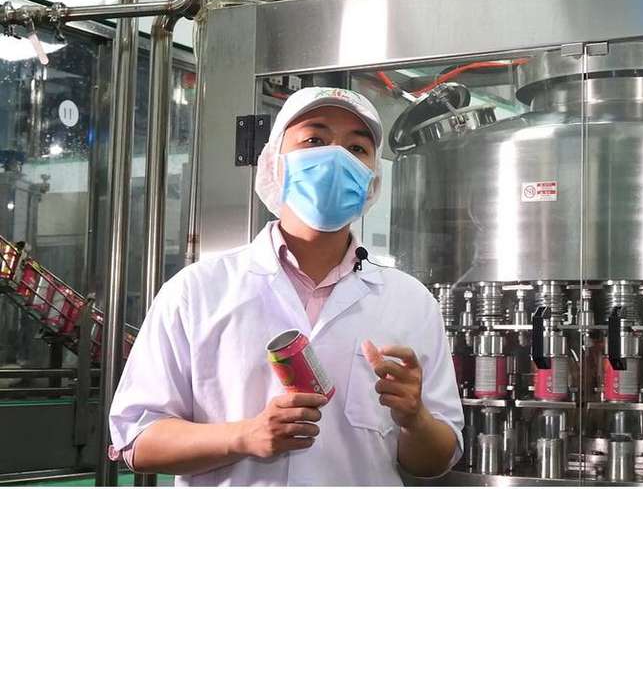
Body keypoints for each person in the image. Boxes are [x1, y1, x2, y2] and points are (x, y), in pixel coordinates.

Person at [108, 86, 464, 485]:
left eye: (357, 148)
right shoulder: (197, 291)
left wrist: (415, 418)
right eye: (314, 140)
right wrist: (243, 437)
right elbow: (137, 440)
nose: (336, 158)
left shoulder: (410, 302)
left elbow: (436, 460)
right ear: (274, 163)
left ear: (372, 179)